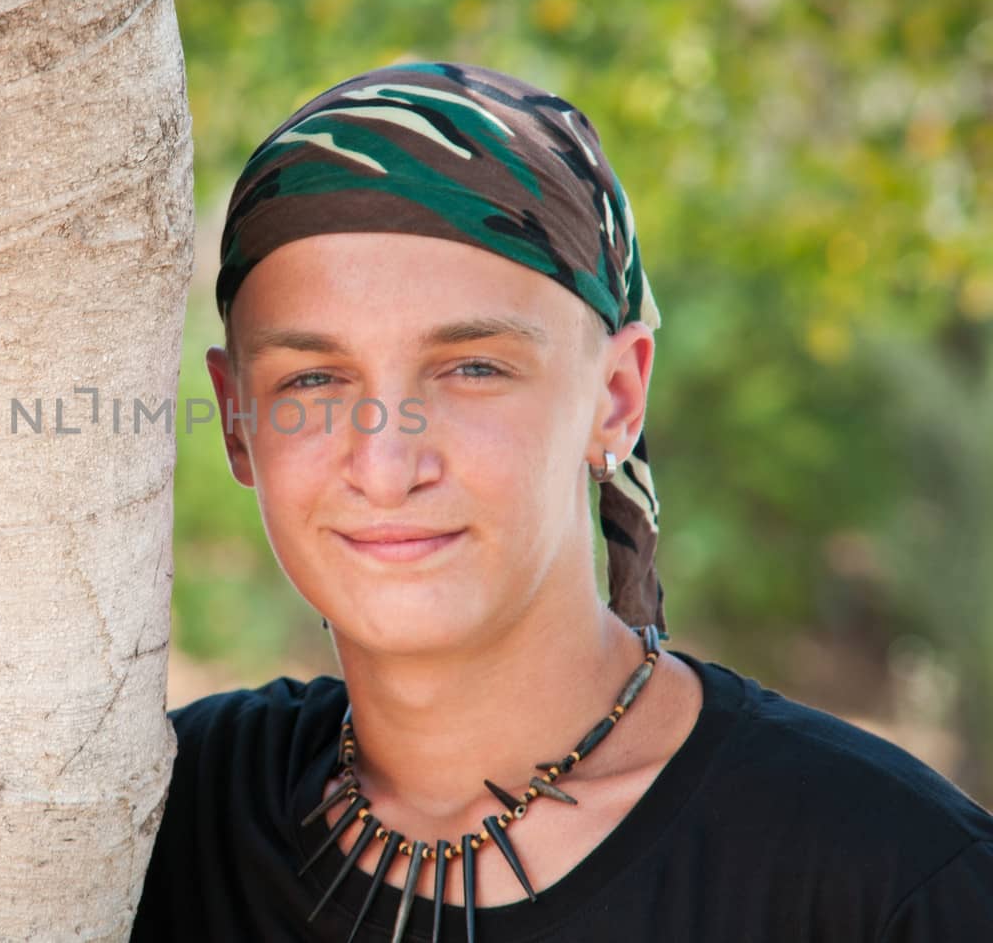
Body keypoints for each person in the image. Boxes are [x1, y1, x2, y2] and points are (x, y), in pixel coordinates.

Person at [129, 60, 993, 942]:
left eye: (473, 368)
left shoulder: (886, 882)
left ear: (615, 395)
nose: (386, 465)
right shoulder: (151, 827)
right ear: (238, 421)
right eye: (312, 376)